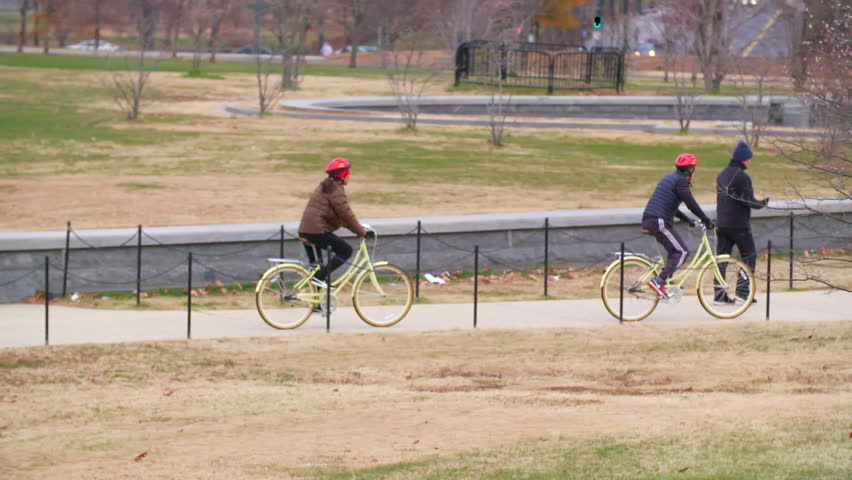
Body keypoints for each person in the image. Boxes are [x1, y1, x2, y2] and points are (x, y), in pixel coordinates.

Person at [642, 153, 714, 299]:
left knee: (673, 251)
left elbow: (672, 206)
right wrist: (707, 220)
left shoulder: (670, 178)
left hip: (652, 219)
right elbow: (691, 204)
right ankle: (659, 281)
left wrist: (688, 220)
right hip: (659, 221)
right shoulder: (681, 182)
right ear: (690, 170)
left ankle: (667, 282)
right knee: (682, 252)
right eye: (694, 169)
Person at [298, 158, 374, 288]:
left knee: (318, 270)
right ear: (342, 175)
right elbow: (346, 214)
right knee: (345, 250)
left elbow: (339, 217)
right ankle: (319, 279)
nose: (350, 176)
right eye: (348, 173)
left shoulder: (327, 186)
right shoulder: (336, 191)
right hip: (315, 232)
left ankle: (318, 306)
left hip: (308, 230)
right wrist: (362, 233)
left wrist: (358, 229)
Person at [715, 140, 769, 304]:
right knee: (749, 257)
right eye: (749, 158)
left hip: (722, 223)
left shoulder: (722, 174)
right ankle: (742, 294)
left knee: (722, 259)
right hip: (739, 225)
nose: (750, 161)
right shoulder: (743, 177)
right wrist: (762, 203)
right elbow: (748, 201)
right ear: (744, 159)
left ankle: (719, 296)